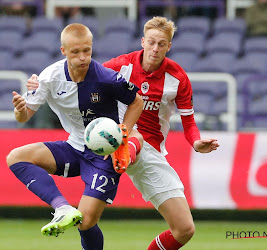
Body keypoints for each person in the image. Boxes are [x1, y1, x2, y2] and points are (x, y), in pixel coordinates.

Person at [27, 16, 219, 249]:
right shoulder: (120, 66)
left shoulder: (177, 78)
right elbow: (81, 69)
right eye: (151, 42)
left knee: (184, 230)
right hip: (111, 139)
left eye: (161, 44)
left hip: (149, 151)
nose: (155, 48)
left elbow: (189, 122)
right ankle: (123, 150)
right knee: (86, 220)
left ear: (169, 46)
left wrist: (196, 142)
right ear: (142, 41)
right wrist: (40, 85)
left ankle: (127, 150)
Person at [7, 23, 143, 250]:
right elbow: (24, 117)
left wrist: (122, 134)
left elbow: (136, 101)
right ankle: (61, 207)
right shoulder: (50, 77)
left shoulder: (107, 78)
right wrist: (20, 109)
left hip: (104, 156)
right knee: (16, 157)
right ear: (63, 51)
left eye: (87, 51)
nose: (82, 57)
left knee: (86, 223)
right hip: (74, 147)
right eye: (75, 52)